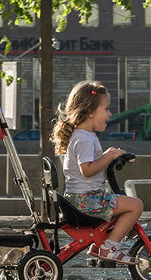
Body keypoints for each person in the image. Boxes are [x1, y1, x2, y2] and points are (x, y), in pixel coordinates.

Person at [51, 81, 144, 265]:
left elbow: (91, 163)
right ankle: (109, 247)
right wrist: (109, 157)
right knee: (136, 205)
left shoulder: (84, 135)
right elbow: (87, 170)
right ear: (90, 111)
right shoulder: (84, 138)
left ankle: (102, 242)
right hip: (86, 200)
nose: (110, 114)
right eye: (107, 109)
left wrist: (108, 154)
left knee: (124, 204)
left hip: (82, 198)